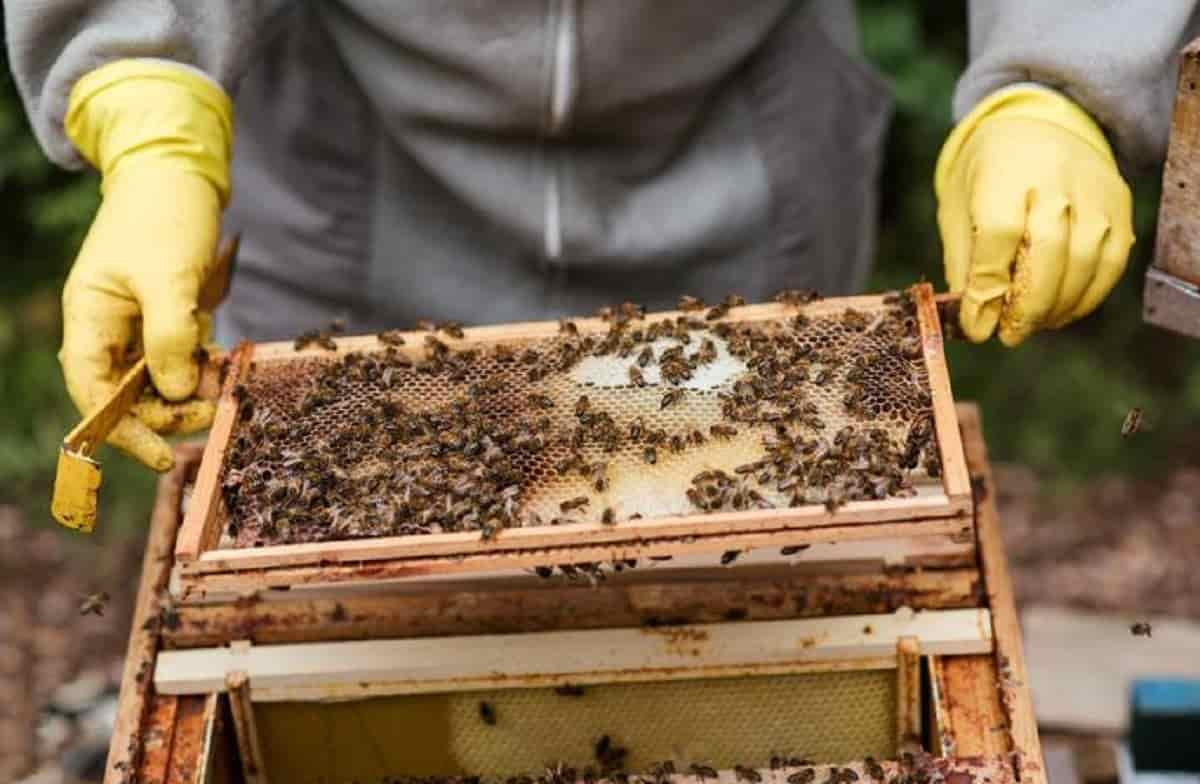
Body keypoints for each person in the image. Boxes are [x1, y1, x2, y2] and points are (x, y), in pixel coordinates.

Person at [3, 2, 1180, 473]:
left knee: (754, 557)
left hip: (742, 125)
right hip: (342, 158)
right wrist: (142, 87)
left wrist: (1056, 73)